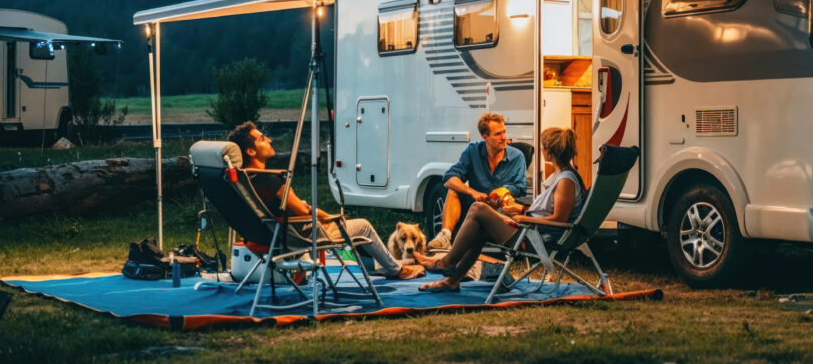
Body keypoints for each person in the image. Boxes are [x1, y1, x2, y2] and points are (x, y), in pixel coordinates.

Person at [227, 121, 424, 280]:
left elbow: (294, 208)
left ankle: (390, 265)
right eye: (262, 138)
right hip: (303, 234)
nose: (269, 139)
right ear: (251, 151)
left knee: (341, 221)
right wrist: (326, 217)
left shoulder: (247, 180)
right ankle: (397, 270)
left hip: (278, 235)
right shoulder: (269, 179)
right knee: (363, 226)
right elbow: (303, 212)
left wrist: (311, 210)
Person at [414, 127, 585, 292]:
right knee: (480, 227)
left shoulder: (566, 181)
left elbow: (559, 220)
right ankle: (452, 281)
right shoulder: (562, 176)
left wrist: (525, 218)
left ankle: (446, 263)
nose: (541, 150)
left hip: (534, 238)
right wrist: (522, 209)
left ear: (550, 153)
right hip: (532, 232)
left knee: (478, 208)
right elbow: (548, 212)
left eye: (542, 147)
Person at [427, 112, 527, 250]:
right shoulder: (473, 151)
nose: (504, 137)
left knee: (508, 200)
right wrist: (472, 192)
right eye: (498, 134)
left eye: (504, 132)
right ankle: (445, 236)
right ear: (485, 137)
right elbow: (449, 178)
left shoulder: (517, 157)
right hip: (474, 206)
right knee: (453, 189)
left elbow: (520, 187)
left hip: (500, 209)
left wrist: (504, 191)